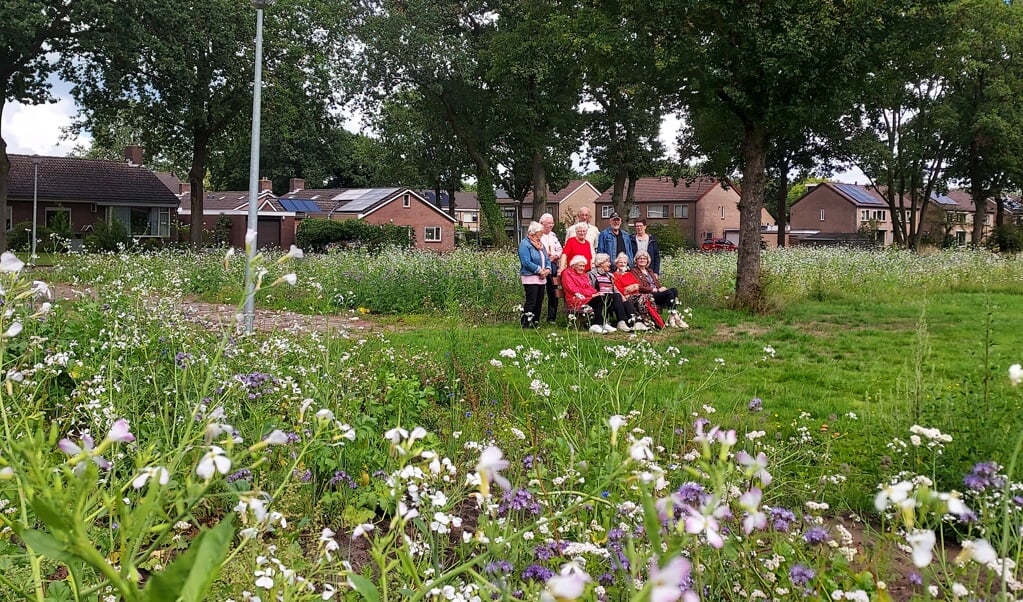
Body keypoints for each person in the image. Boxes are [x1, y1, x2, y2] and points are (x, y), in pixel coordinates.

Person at [587, 253, 645, 332]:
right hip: (598, 298)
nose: (610, 264)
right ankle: (621, 321)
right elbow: (589, 288)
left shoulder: (609, 275)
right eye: (607, 262)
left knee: (625, 301)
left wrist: (622, 297)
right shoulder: (591, 274)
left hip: (611, 298)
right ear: (601, 263)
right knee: (617, 296)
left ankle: (637, 322)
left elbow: (615, 288)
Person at [560, 255, 614, 334]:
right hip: (576, 299)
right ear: (573, 265)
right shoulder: (567, 273)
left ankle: (600, 323)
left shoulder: (583, 274)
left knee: (604, 297)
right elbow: (571, 289)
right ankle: (598, 324)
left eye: (584, 266)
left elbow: (589, 287)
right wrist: (591, 295)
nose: (582, 268)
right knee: (599, 299)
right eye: (580, 266)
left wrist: (596, 293)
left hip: (586, 298)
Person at [518, 221, 551, 328]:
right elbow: (526, 262)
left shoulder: (541, 244)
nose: (541, 235)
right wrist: (539, 270)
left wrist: (547, 269)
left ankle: (535, 321)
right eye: (540, 233)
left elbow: (547, 258)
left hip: (542, 278)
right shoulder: (525, 244)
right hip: (530, 277)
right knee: (531, 300)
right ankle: (526, 322)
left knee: (539, 300)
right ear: (533, 233)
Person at [611, 253, 652, 331]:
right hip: (625, 296)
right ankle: (642, 321)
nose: (623, 264)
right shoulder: (614, 275)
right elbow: (620, 290)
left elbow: (637, 286)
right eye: (621, 262)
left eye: (625, 263)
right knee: (642, 298)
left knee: (649, 297)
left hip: (635, 294)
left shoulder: (629, 274)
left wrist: (631, 288)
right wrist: (630, 288)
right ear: (616, 264)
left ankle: (646, 321)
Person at [539, 213, 563, 323]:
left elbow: (560, 249)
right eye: (548, 223)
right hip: (541, 266)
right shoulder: (538, 235)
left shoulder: (553, 235)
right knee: (539, 292)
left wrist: (556, 255)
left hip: (553, 265)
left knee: (554, 292)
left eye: (552, 223)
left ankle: (551, 318)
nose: (551, 225)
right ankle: (536, 317)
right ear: (542, 223)